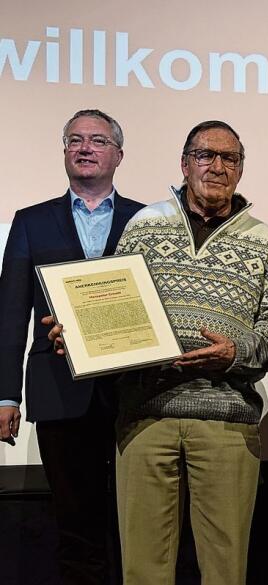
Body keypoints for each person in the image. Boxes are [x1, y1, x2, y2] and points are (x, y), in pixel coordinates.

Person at [47, 120, 268, 585]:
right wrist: (78, 334)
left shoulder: (267, 242)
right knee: (143, 568)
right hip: (145, 416)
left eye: (229, 158)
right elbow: (114, 308)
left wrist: (234, 353)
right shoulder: (144, 224)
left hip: (227, 420)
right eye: (205, 155)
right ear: (184, 163)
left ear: (241, 169)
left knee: (224, 567)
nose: (216, 167)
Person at [0, 109, 143, 585]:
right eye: (74, 140)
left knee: (137, 524)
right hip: (59, 393)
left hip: (134, 393)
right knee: (74, 527)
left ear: (118, 155)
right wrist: (6, 396)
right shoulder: (30, 221)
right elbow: (10, 313)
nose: (84, 148)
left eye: (97, 140)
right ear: (64, 151)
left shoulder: (148, 220)